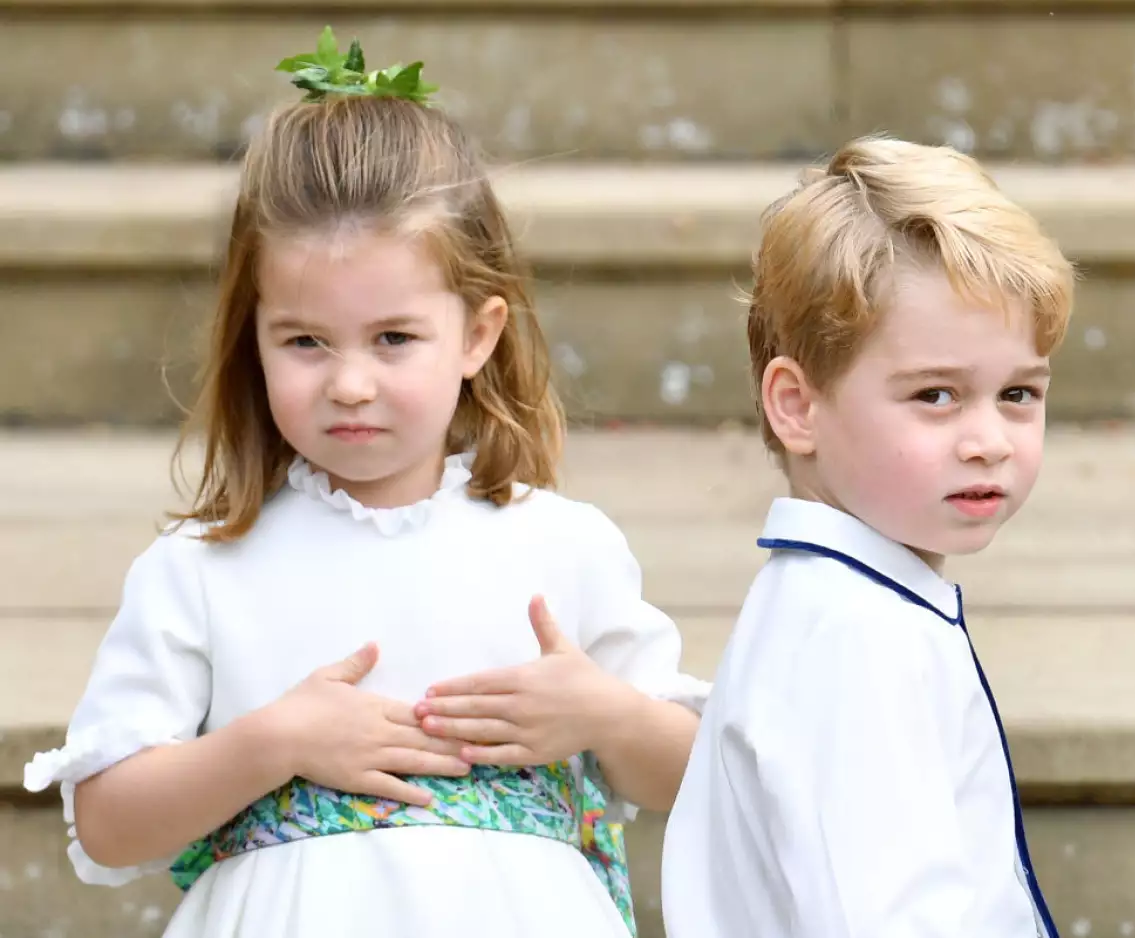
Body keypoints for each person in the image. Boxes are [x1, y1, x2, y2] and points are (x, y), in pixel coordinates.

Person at [25, 28, 707, 938]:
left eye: (393, 338)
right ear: (253, 339)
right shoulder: (203, 568)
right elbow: (108, 825)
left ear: (476, 334)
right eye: (305, 341)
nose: (349, 382)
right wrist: (276, 743)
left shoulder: (562, 545)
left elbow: (704, 781)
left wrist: (602, 716)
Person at [660, 136, 1075, 938]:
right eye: (936, 395)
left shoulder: (848, 607)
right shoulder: (854, 639)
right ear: (798, 406)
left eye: (1017, 392)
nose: (988, 438)